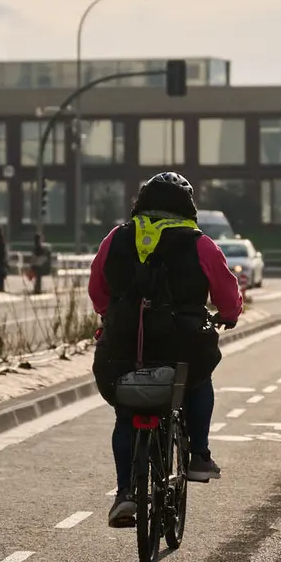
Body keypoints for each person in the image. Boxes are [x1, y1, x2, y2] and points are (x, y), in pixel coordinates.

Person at [88, 172, 243, 528]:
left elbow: (98, 288)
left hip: (126, 343)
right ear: (188, 207)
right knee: (199, 381)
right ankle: (199, 456)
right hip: (183, 345)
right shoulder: (200, 244)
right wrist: (229, 315)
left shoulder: (116, 238)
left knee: (126, 414)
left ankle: (125, 492)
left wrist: (111, 316)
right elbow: (226, 291)